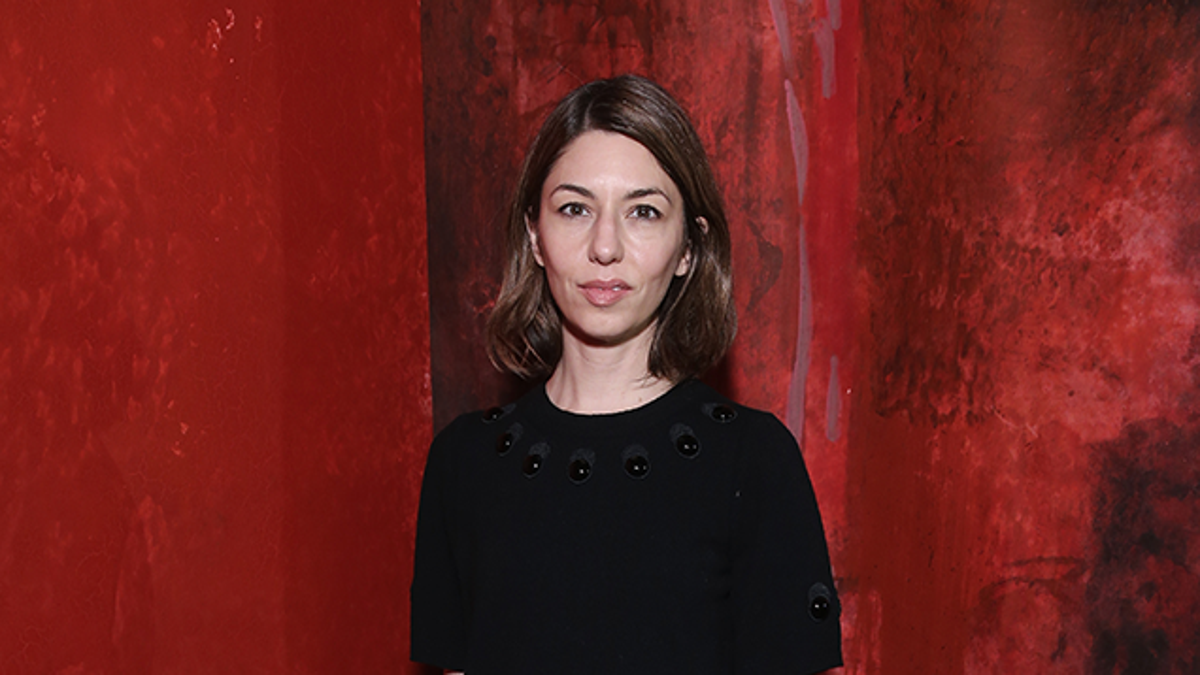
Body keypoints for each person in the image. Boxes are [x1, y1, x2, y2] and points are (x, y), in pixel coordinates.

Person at [410, 74, 842, 674]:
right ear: (535, 235)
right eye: (575, 208)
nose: (605, 246)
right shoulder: (464, 462)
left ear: (688, 247)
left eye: (643, 212)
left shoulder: (751, 460)